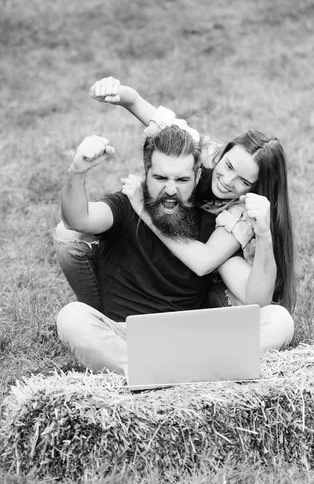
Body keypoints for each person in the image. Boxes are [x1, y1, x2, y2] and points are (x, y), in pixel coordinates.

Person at [55, 125, 294, 376]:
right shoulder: (124, 205)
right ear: (146, 173)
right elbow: (77, 220)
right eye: (160, 178)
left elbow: (256, 299)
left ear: (198, 175)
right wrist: (77, 172)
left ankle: (160, 373)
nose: (170, 189)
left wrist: (265, 234)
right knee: (72, 317)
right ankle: (169, 372)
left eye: (181, 180)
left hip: (190, 339)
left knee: (279, 320)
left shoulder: (215, 226)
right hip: (127, 337)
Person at [90, 77, 296, 313]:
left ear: (256, 188)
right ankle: (100, 312)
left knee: (259, 313)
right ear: (223, 153)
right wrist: (119, 93)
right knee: (75, 237)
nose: (227, 181)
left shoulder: (243, 212)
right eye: (228, 166)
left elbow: (205, 262)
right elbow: (157, 118)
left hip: (221, 276)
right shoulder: (207, 155)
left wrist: (144, 209)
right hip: (182, 253)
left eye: (244, 180)